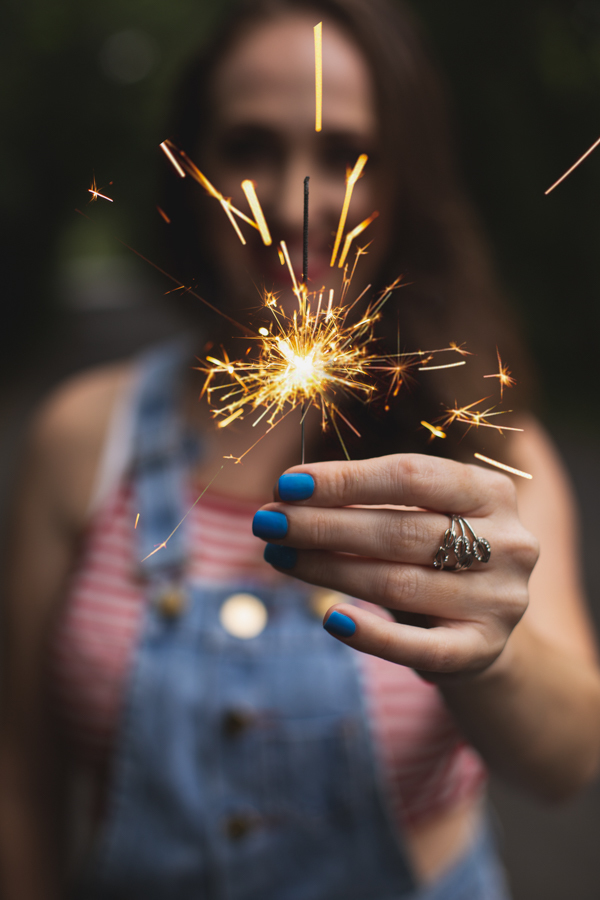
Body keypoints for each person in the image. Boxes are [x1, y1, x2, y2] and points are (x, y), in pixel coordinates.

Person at [2, 0, 600, 898]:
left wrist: (493, 646)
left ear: (406, 180)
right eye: (249, 147)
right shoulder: (86, 438)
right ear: (193, 167)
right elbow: (21, 774)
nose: (291, 202)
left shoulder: (483, 444)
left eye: (344, 154)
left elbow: (569, 759)